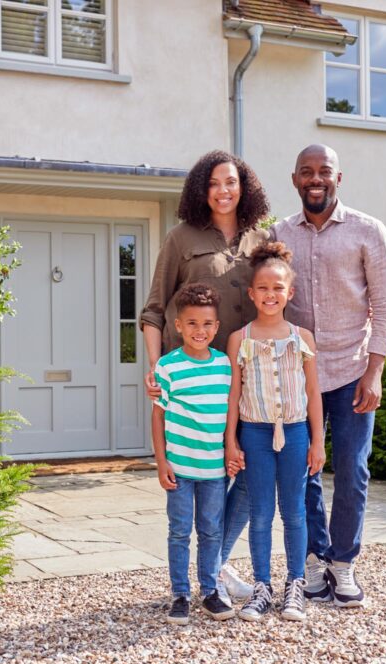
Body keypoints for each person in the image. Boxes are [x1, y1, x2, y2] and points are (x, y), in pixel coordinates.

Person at [270, 144, 386, 609]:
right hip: (298, 374)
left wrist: (375, 371)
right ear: (295, 179)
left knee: (353, 469)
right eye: (307, 172)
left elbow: (385, 306)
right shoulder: (279, 233)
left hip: (351, 370)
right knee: (301, 471)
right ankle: (311, 558)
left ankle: (342, 564)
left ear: (338, 179)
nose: (315, 179)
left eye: (324, 171)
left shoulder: (369, 231)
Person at [140, 149, 271, 604]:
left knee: (251, 471)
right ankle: (205, 575)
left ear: (244, 187)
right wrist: (156, 368)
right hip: (194, 381)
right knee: (201, 468)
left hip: (249, 378)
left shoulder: (262, 239)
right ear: (202, 188)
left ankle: (212, 564)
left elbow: (277, 297)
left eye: (231, 182)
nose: (223, 190)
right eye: (214, 182)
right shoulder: (181, 238)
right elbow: (155, 309)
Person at [223, 242, 325, 622]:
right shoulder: (241, 339)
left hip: (296, 433)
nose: (270, 294)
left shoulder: (302, 338)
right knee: (262, 512)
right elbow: (235, 395)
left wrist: (318, 442)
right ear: (251, 293)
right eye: (262, 288)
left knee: (294, 512)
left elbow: (312, 393)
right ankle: (262, 587)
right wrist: (231, 440)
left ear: (290, 292)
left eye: (277, 288)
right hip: (255, 434)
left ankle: (294, 585)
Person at [151, 283, 237, 625]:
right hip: (180, 469)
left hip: (215, 470)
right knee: (179, 531)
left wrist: (231, 446)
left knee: (212, 531)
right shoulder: (167, 368)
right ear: (177, 325)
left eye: (206, 324)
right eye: (191, 324)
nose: (199, 331)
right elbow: (157, 418)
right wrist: (161, 462)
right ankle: (180, 594)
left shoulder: (225, 365)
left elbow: (231, 411)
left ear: (216, 327)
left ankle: (211, 591)